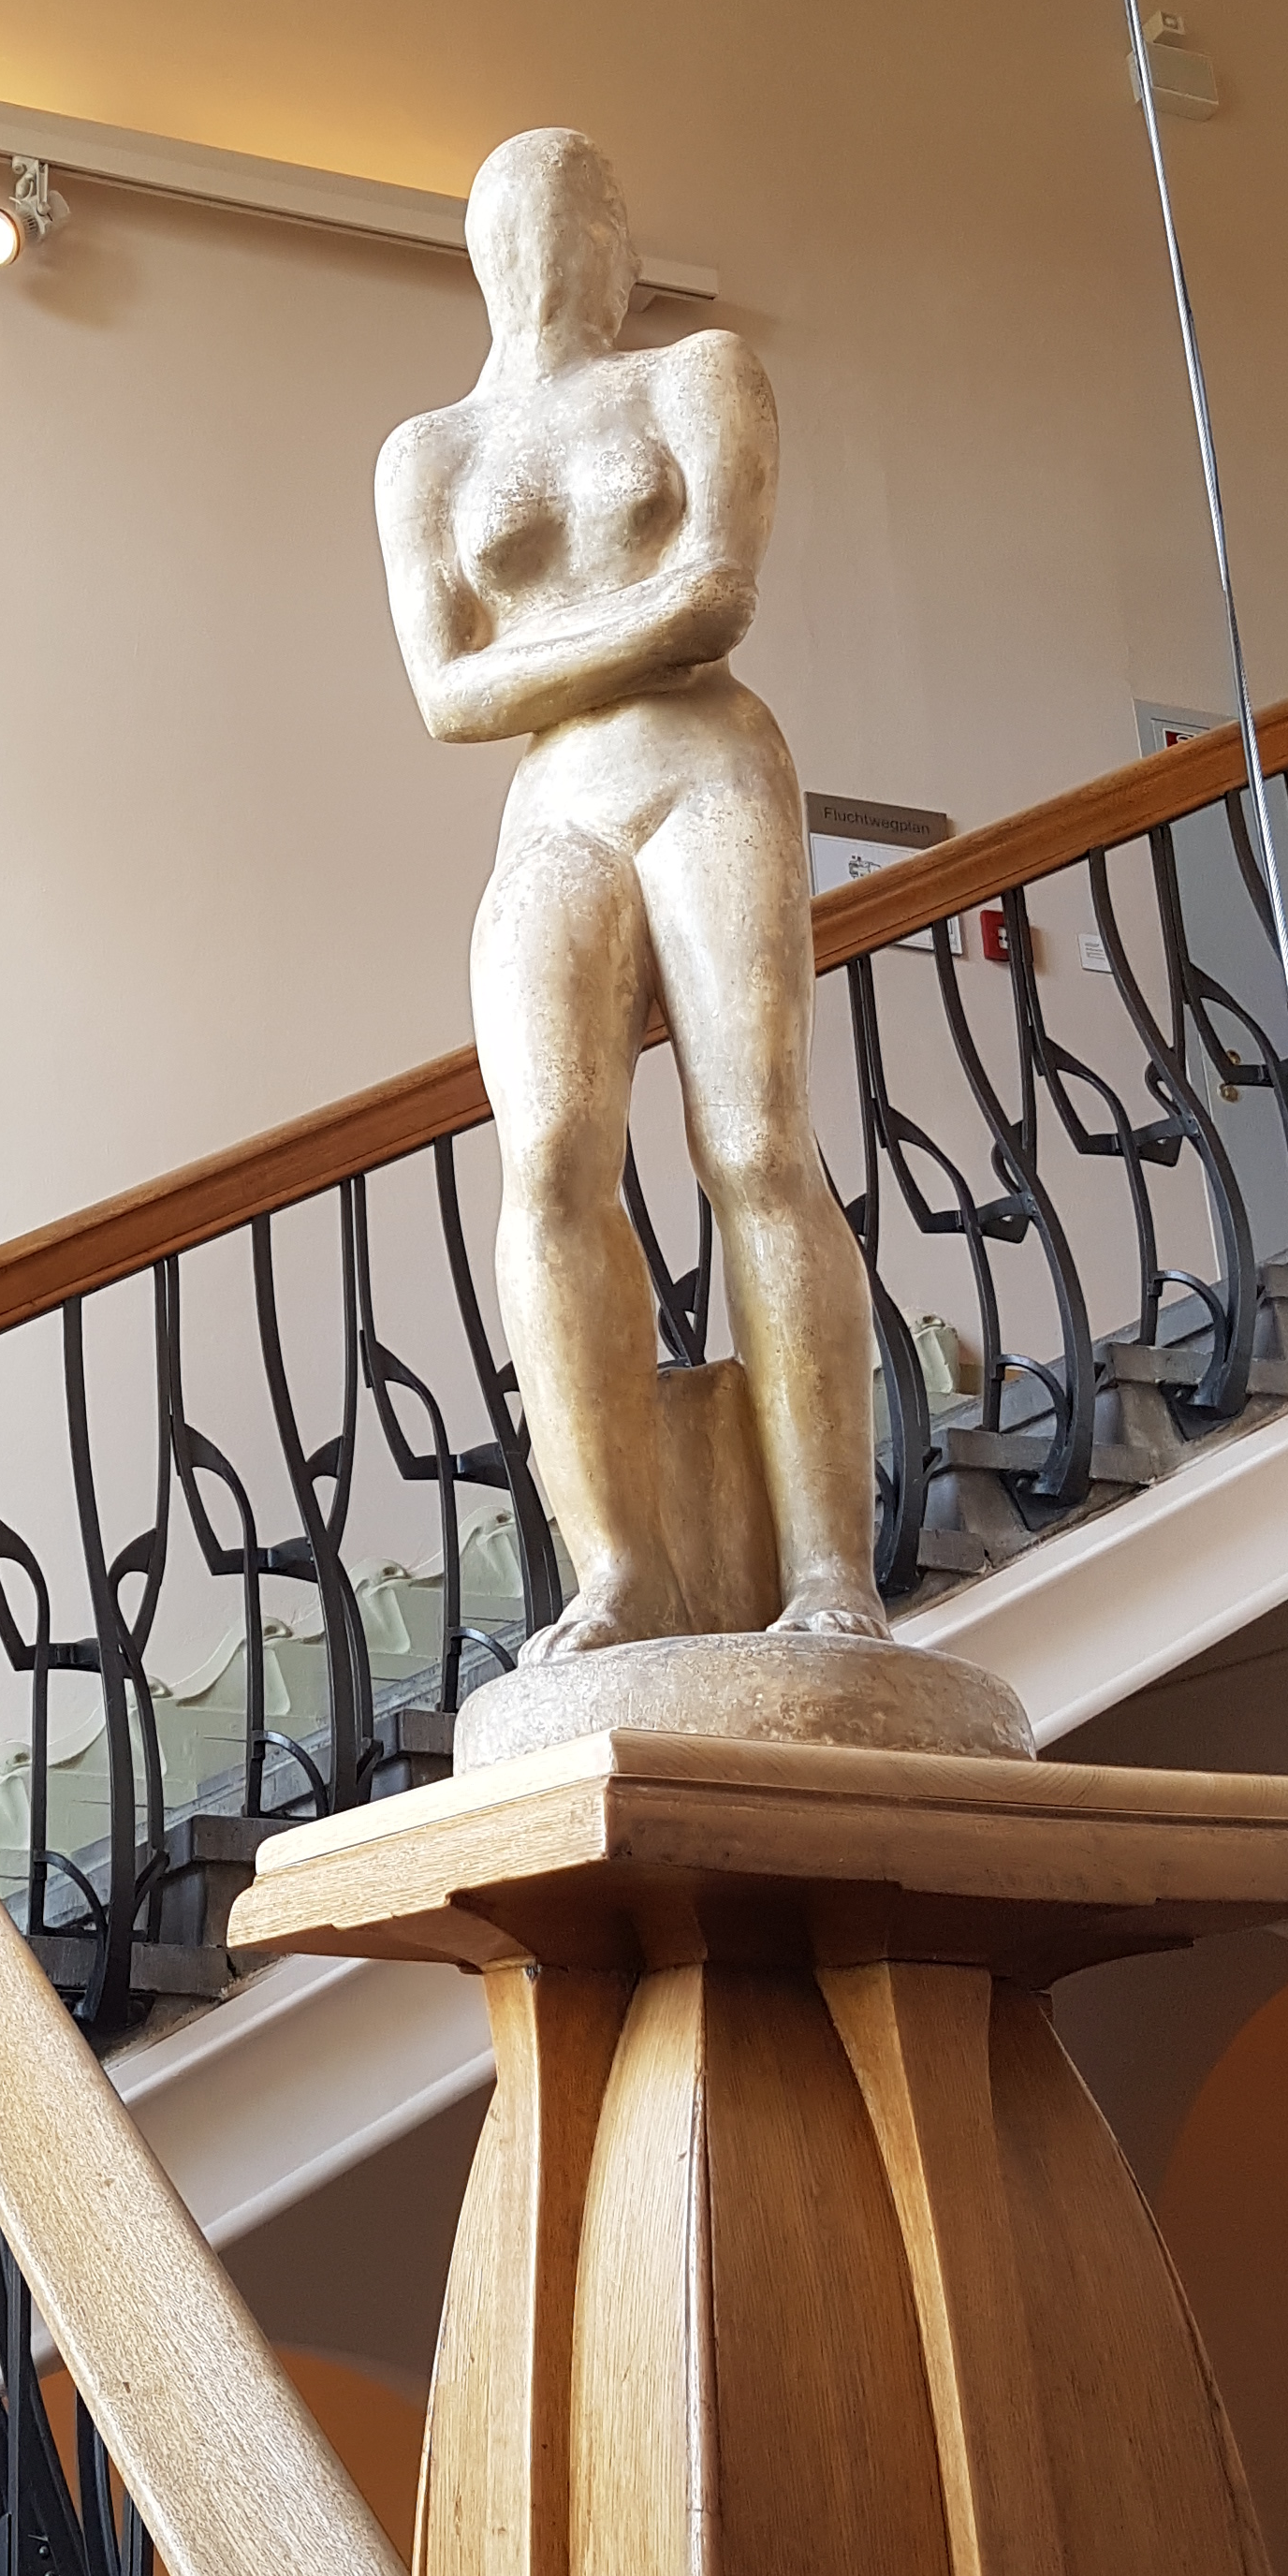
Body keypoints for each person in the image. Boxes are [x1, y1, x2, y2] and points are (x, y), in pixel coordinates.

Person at [376, 126, 886, 1661]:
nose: (552, 244)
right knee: (546, 1161)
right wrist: (639, 624)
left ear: (620, 245)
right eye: (521, 219)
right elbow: (445, 697)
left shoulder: (695, 374)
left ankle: (829, 1569)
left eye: (582, 214)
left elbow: (718, 594)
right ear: (480, 249)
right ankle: (619, 1572)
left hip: (710, 771)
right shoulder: (429, 454)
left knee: (755, 1142)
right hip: (557, 812)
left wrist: (559, 650)